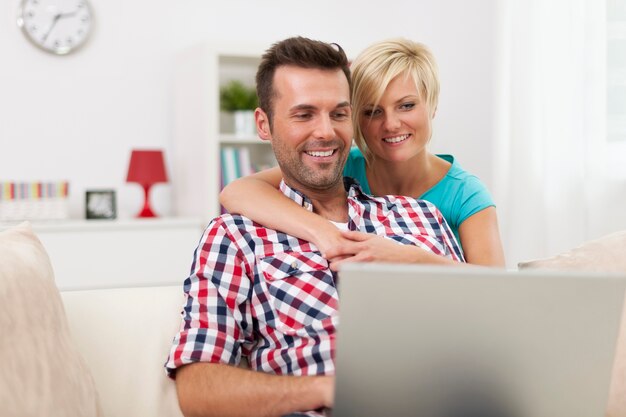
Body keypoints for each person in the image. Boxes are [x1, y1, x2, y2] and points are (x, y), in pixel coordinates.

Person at [165, 36, 463, 417]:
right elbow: (197, 390)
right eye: (304, 114)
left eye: (338, 114)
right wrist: (329, 388)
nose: (325, 132)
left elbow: (488, 329)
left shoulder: (420, 216)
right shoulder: (235, 237)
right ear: (264, 124)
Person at [220, 38, 505, 268]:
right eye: (372, 111)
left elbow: (497, 291)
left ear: (432, 106)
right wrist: (326, 232)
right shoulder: (342, 167)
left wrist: (410, 258)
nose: (391, 124)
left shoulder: (465, 194)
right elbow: (237, 191)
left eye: (406, 106)